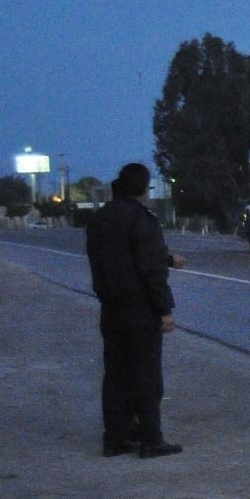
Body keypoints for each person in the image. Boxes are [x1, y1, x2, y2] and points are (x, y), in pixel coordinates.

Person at [85, 162, 186, 458]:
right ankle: (151, 439)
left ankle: (115, 438)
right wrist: (165, 309)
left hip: (111, 309)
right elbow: (150, 269)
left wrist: (166, 258)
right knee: (146, 376)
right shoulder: (143, 220)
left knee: (116, 376)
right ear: (143, 188)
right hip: (141, 311)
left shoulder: (100, 219)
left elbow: (119, 257)